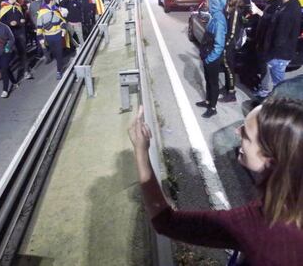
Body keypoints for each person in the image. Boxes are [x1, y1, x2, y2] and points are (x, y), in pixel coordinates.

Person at [129, 99, 303, 265]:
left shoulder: (259, 224)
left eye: (246, 134)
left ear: (271, 161)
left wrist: (141, 152)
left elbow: (166, 222)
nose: (237, 131)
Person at [261, 0, 301, 93]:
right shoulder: (290, 4)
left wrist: (269, 55)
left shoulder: (288, 11)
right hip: (280, 55)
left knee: (278, 86)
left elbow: (280, 39)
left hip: (279, 56)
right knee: (278, 84)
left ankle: (277, 107)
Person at [196, 0, 227, 118]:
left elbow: (219, 45)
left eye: (208, 1)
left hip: (212, 58)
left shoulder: (219, 20)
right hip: (208, 56)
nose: (206, 3)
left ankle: (212, 108)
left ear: (215, 3)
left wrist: (209, 59)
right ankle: (208, 101)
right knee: (208, 80)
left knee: (213, 83)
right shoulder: (214, 16)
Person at [251, 0, 281, 98]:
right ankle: (264, 87)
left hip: (266, 43)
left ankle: (265, 90)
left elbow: (270, 21)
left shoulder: (274, 5)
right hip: (262, 42)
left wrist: (258, 12)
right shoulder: (270, 3)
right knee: (263, 67)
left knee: (265, 68)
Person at [0, 0, 32, 80]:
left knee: (23, 51)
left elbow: (22, 16)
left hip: (20, 32)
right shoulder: (3, 9)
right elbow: (1, 23)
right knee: (13, 53)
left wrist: (22, 20)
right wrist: (10, 23)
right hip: (10, 35)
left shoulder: (18, 6)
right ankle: (5, 71)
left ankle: (26, 71)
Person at [219, 0, 244, 103]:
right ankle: (227, 87)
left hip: (230, 44)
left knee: (229, 68)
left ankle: (231, 93)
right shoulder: (229, 8)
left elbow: (233, 31)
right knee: (226, 67)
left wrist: (226, 45)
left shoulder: (235, 11)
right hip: (227, 43)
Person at [36, 0, 67, 80]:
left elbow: (61, 21)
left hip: (58, 35)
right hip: (49, 37)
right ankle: (59, 62)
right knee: (55, 53)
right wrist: (40, 39)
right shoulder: (41, 13)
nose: (54, 1)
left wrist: (63, 27)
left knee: (59, 52)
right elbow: (39, 27)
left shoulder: (56, 10)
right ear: (51, 1)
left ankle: (59, 70)